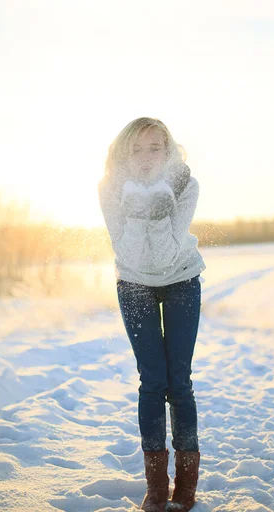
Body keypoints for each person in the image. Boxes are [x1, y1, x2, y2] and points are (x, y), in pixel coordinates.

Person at [98, 117, 206, 512]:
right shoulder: (110, 189)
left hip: (181, 278)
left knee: (179, 381)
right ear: (125, 154)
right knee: (152, 381)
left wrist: (157, 213)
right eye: (137, 150)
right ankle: (157, 486)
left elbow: (165, 256)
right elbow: (128, 254)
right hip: (134, 282)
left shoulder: (186, 185)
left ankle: (187, 484)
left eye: (154, 148)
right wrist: (137, 212)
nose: (146, 158)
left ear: (167, 150)